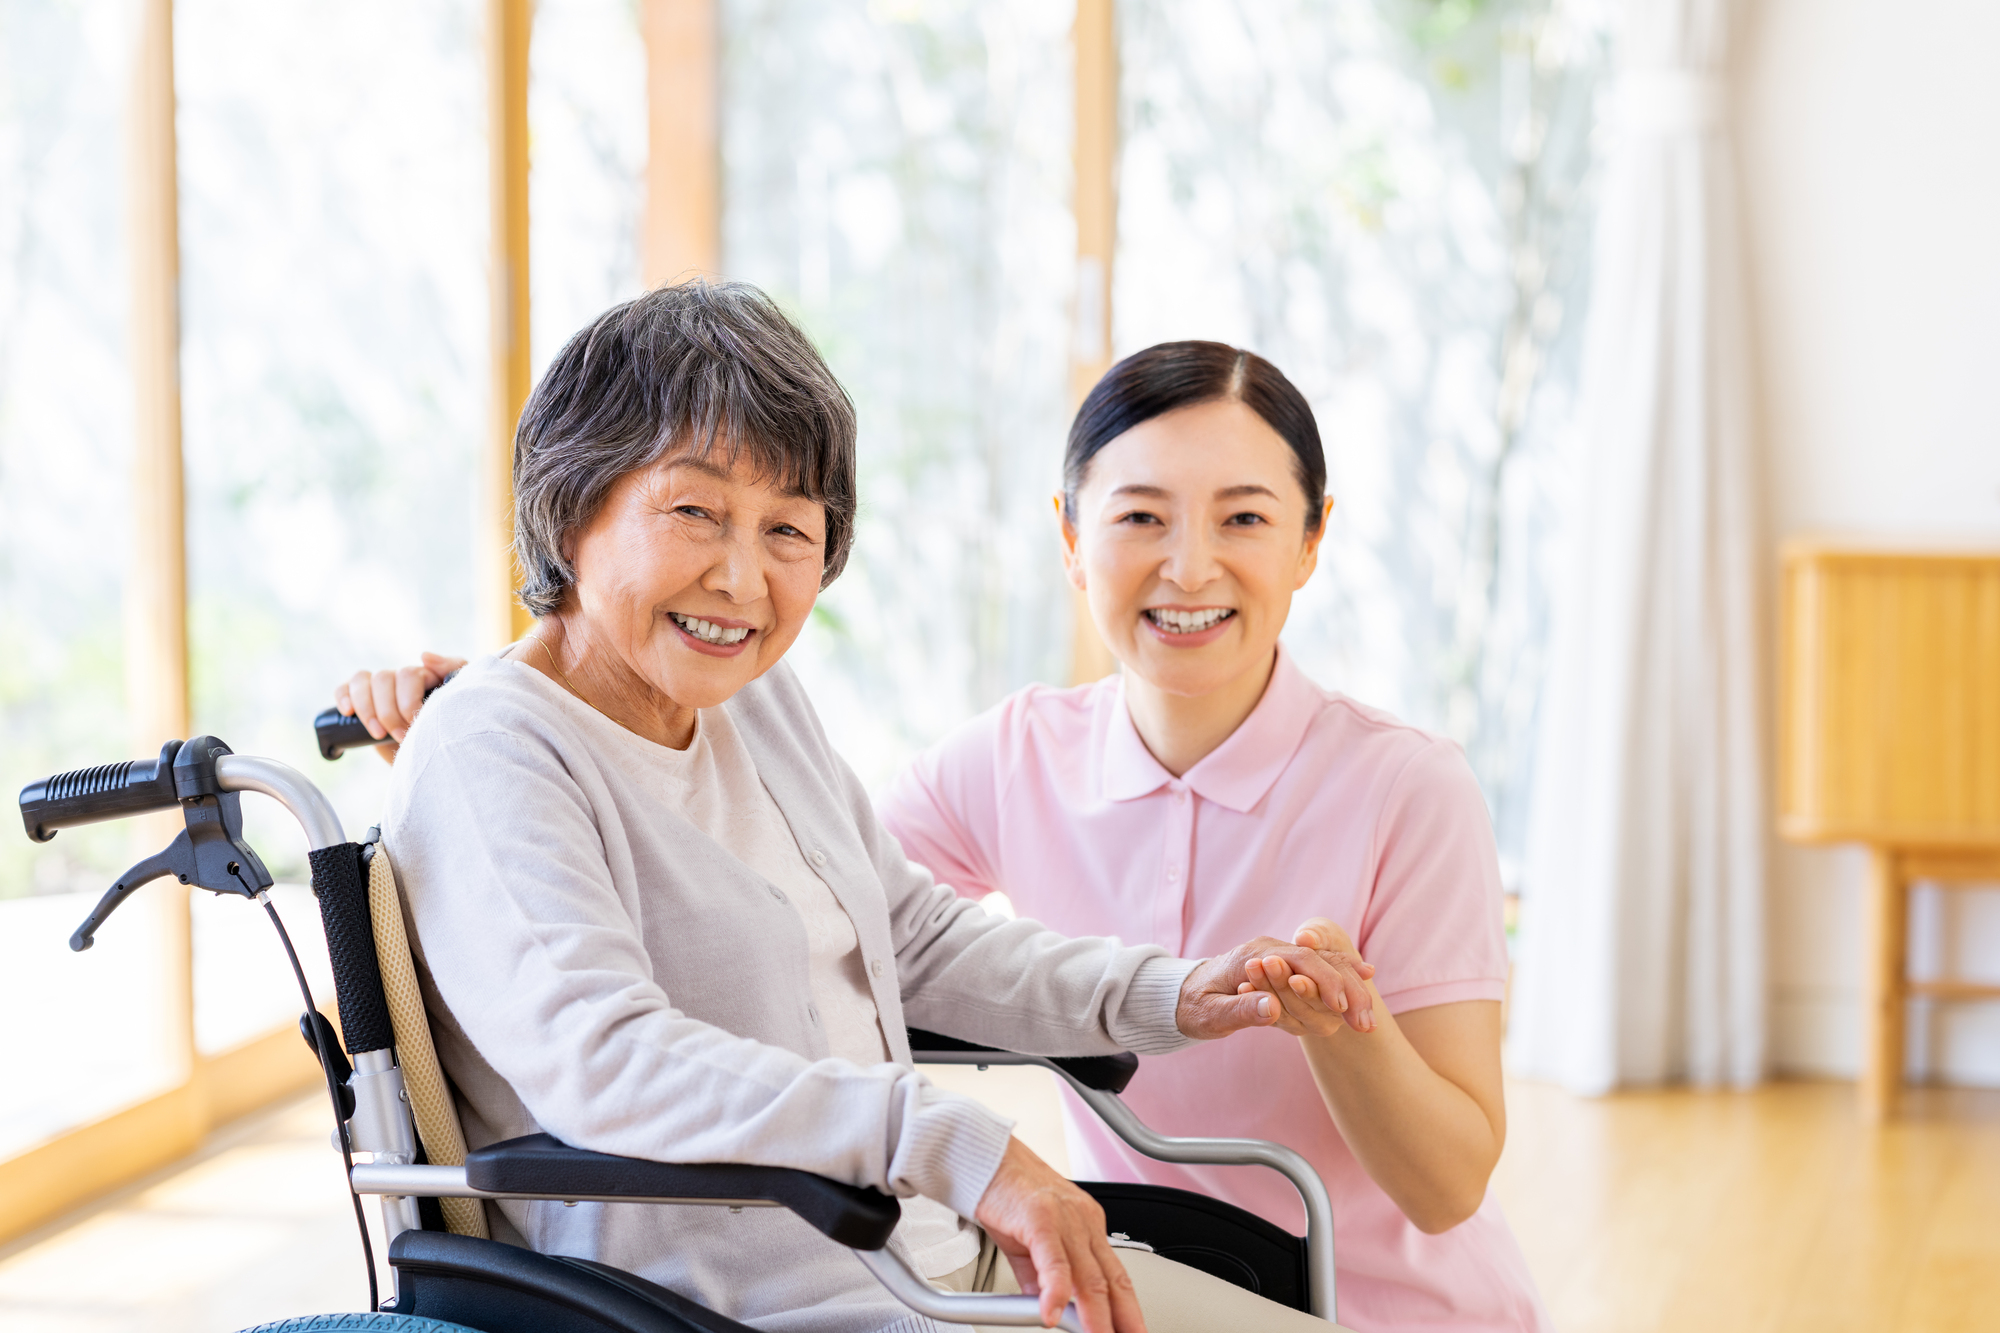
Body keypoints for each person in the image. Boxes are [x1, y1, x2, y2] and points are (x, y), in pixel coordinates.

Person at [344, 338, 1551, 1332]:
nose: (741, 576)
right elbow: (604, 1056)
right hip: (769, 1301)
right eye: (692, 511)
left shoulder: (750, 697)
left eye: (787, 529)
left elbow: (908, 935)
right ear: (569, 505)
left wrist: (1184, 993)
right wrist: (951, 1140)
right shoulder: (494, 747)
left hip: (936, 1262)